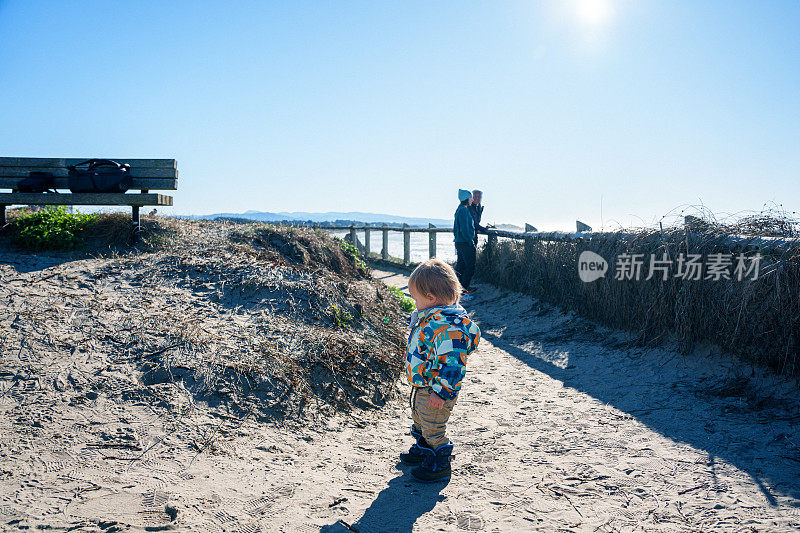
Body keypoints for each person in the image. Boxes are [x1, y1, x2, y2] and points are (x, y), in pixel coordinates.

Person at [400, 259, 481, 482]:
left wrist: (442, 392)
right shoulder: (433, 319)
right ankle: (423, 449)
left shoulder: (449, 327)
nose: (414, 303)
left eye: (415, 298)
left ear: (431, 298)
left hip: (437, 389)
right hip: (424, 385)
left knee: (433, 425)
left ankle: (439, 463)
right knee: (420, 418)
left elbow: (454, 366)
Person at [453, 189, 477, 294]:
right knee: (470, 267)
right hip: (465, 242)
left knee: (461, 266)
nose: (472, 199)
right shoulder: (463, 210)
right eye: (471, 197)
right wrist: (470, 240)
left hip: (459, 242)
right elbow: (464, 228)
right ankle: (463, 291)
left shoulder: (459, 209)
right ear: (467, 198)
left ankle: (458, 289)